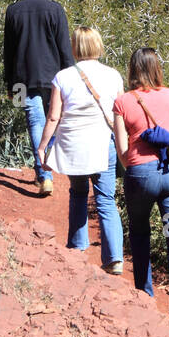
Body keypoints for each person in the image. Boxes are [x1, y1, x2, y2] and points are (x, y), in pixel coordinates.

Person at [35, 26, 125, 274]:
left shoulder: (63, 77)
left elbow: (53, 117)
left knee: (77, 193)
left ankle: (77, 249)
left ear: (75, 47)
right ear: (98, 45)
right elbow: (120, 115)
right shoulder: (114, 76)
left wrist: (43, 148)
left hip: (73, 144)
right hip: (102, 143)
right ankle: (114, 258)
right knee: (106, 199)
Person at [112, 47, 169, 316]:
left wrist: (135, 168)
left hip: (140, 176)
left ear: (132, 69)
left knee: (139, 233)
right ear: (157, 67)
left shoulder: (123, 101)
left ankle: (143, 301)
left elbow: (122, 149)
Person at [3, 0, 74, 197]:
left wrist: (9, 83)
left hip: (22, 79)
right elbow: (64, 48)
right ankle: (47, 164)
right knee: (52, 121)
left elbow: (9, 51)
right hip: (54, 77)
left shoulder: (13, 11)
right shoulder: (55, 9)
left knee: (35, 121)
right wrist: (71, 78)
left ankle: (44, 176)